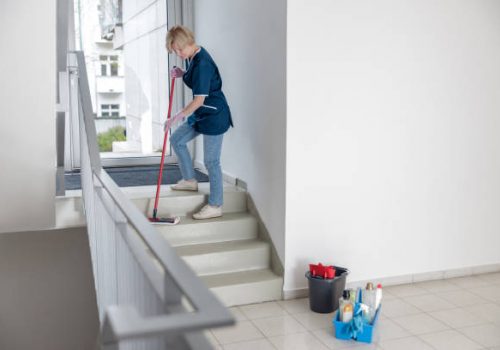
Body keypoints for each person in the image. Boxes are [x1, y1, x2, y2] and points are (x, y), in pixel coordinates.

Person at [164, 25, 233, 220]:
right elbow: (195, 79)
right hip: (201, 112)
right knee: (177, 140)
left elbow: (199, 99)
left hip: (214, 115)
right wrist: (182, 74)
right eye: (174, 50)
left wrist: (176, 116)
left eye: (178, 49)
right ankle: (189, 180)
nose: (178, 54)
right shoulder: (193, 56)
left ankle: (216, 205)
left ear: (187, 42)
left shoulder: (203, 63)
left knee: (211, 161)